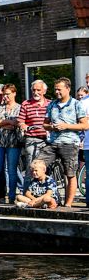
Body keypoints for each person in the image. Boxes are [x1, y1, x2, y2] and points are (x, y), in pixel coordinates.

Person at [40, 77, 89, 207]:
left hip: (70, 143)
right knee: (38, 165)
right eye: (55, 89)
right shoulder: (52, 104)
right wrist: (51, 127)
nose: (57, 92)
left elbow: (85, 125)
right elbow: (44, 124)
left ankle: (68, 204)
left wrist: (66, 126)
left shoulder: (76, 104)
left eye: (59, 89)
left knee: (70, 173)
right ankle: (48, 198)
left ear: (67, 89)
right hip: (53, 142)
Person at [0, 83, 24, 203]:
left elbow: (16, 124)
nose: (5, 97)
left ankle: (12, 196)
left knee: (12, 170)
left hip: (13, 143)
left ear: (14, 93)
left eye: (8, 94)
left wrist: (1, 122)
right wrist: (8, 122)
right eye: (4, 95)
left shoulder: (20, 108)